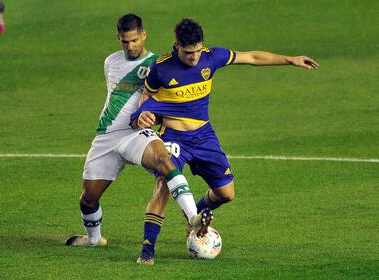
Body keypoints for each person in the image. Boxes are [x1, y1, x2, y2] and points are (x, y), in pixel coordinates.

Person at [131, 18, 319, 264]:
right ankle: (147, 251)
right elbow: (147, 94)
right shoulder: (161, 68)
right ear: (177, 45)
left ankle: (194, 215)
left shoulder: (211, 57)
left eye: (198, 51)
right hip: (173, 137)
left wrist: (290, 60)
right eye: (189, 53)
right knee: (164, 186)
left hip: (204, 136)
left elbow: (251, 57)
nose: (194, 57)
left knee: (226, 193)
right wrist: (144, 113)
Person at [65, 14, 213, 265]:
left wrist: (153, 119)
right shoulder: (110, 62)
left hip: (136, 134)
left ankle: (193, 216)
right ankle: (93, 239)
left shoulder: (159, 65)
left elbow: (170, 102)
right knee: (88, 199)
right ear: (119, 39)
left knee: (165, 161)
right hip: (107, 136)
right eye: (125, 42)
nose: (130, 46)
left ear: (143, 35)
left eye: (134, 40)